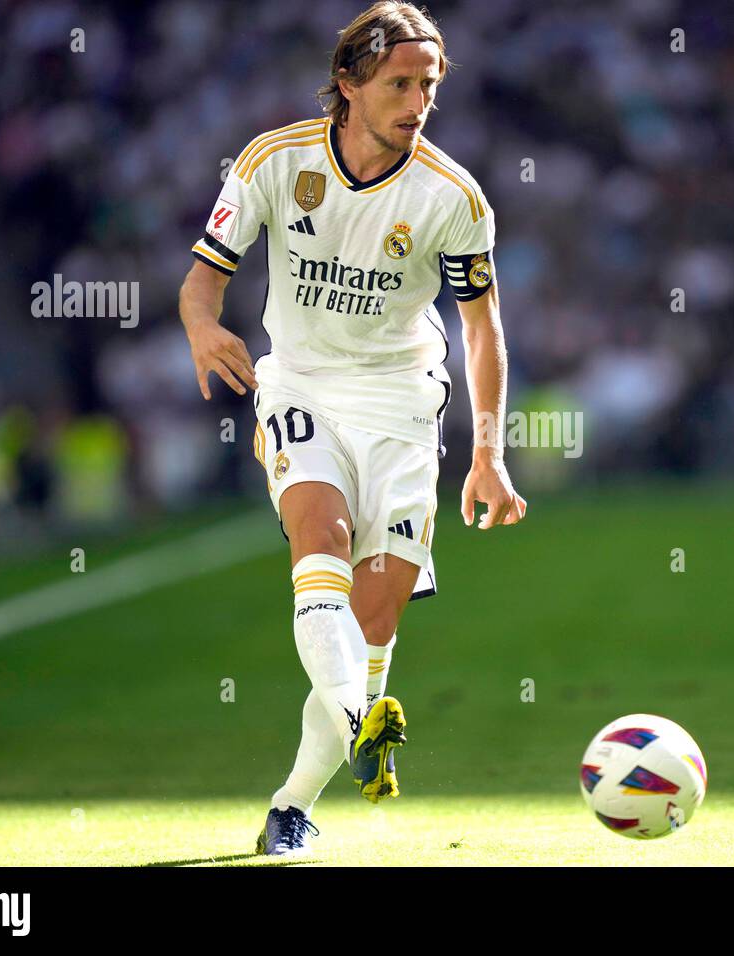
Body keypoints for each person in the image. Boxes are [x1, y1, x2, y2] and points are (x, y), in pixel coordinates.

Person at [177, 0, 526, 856]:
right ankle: (363, 724)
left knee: (370, 631)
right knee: (319, 541)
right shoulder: (274, 161)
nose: (417, 102)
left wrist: (488, 455)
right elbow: (200, 282)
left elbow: (482, 328)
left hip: (405, 404)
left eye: (429, 85)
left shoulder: (454, 197)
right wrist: (203, 327)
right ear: (349, 82)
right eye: (400, 83)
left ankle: (293, 798)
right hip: (300, 386)